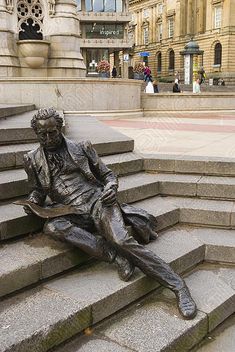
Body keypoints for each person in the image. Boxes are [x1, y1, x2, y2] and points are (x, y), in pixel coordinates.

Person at [22, 108, 197, 320]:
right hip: (70, 209)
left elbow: (108, 176)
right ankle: (115, 257)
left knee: (121, 239)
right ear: (36, 133)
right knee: (52, 227)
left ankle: (178, 286)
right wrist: (33, 202)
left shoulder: (81, 147)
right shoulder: (31, 159)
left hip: (98, 202)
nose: (48, 138)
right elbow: (38, 190)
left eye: (53, 133)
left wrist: (111, 189)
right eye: (43, 135)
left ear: (60, 128)